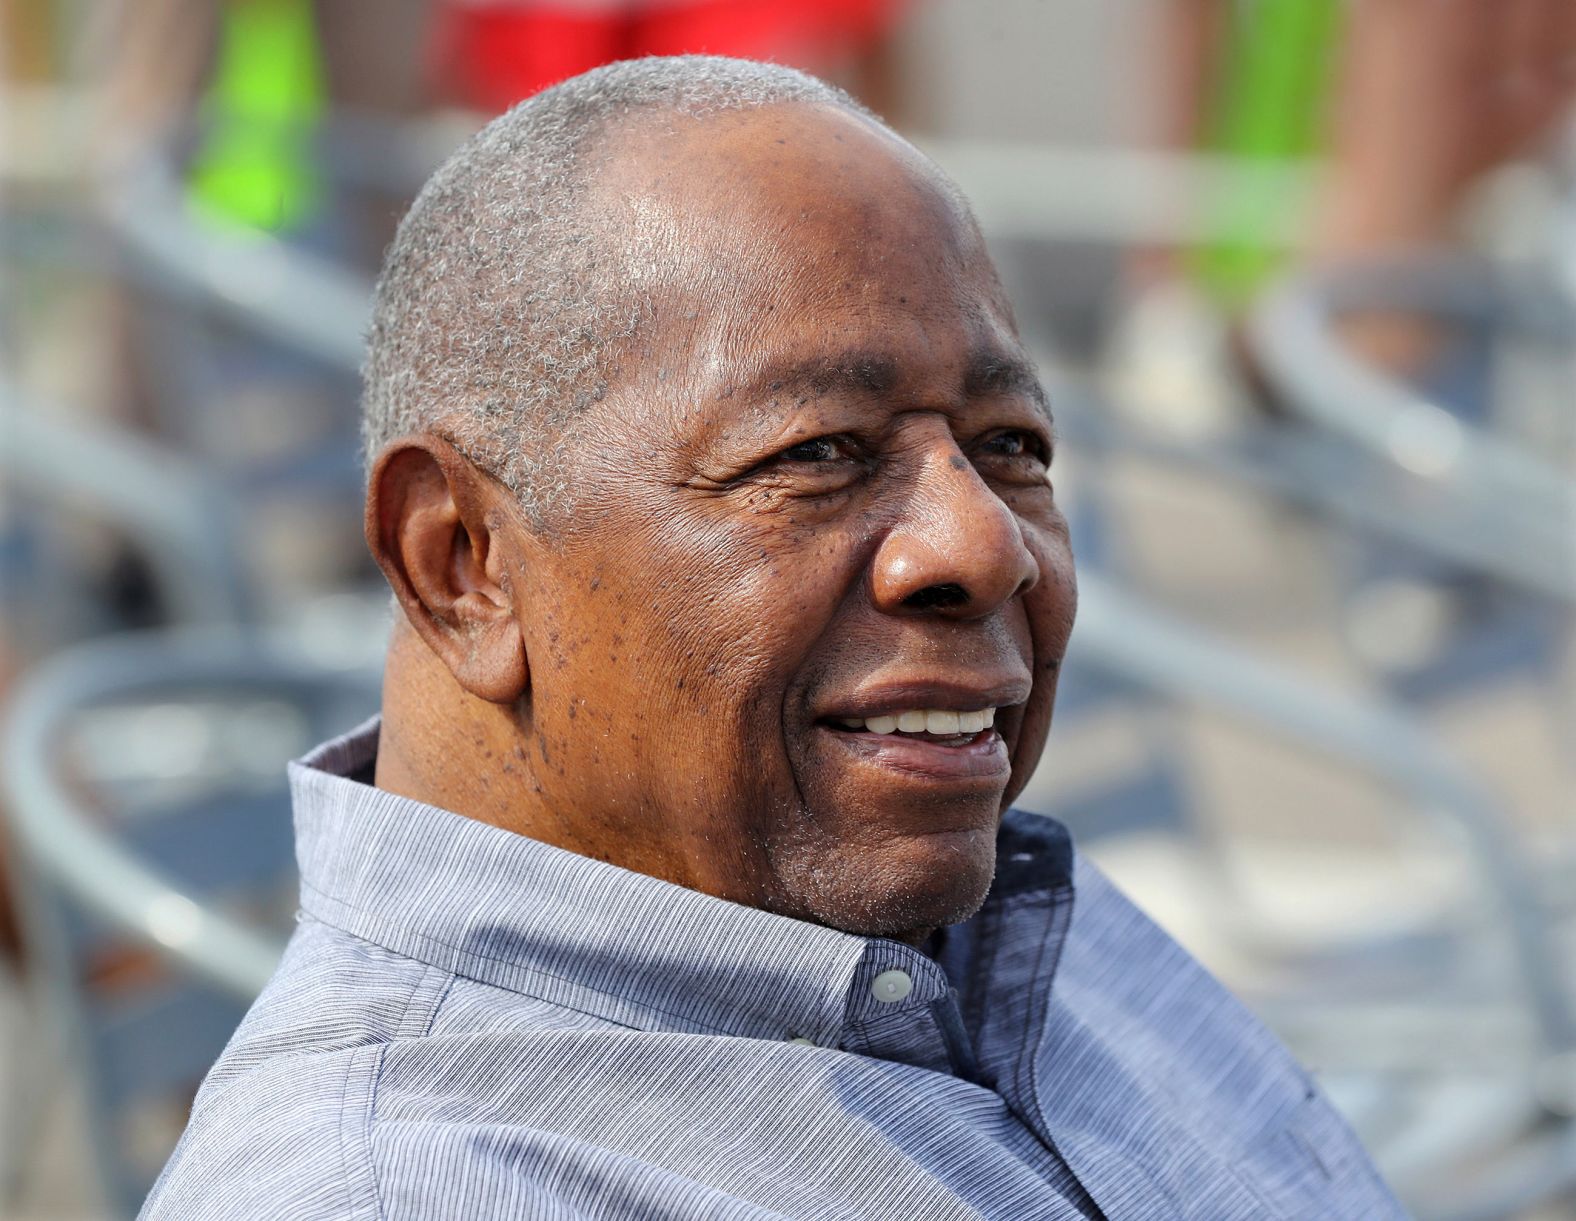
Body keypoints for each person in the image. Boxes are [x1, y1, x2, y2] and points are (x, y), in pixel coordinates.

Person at [143, 56, 1405, 1219]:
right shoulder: (412, 1188)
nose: (982, 548)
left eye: (1009, 447)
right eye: (817, 454)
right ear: (463, 565)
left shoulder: (995, 918)